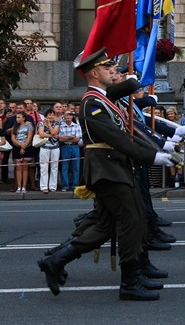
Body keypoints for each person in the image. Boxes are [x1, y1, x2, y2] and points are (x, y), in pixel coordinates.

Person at [36, 48, 174, 301]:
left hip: (115, 167)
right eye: (108, 67)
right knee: (131, 219)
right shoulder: (92, 103)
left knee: (109, 223)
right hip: (106, 168)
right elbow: (115, 137)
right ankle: (129, 282)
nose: (114, 71)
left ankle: (56, 260)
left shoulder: (105, 98)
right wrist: (150, 155)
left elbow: (130, 87)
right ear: (94, 72)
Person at [37, 108, 61, 193]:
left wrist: (49, 125)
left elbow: (54, 132)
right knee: (44, 167)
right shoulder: (40, 123)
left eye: (52, 115)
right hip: (44, 147)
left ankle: (53, 186)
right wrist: (52, 135)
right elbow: (41, 134)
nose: (51, 116)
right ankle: (44, 186)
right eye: (49, 114)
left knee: (54, 167)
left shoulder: (57, 123)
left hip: (55, 147)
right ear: (46, 115)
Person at [10, 110, 34, 193]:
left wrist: (24, 146)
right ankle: (19, 186)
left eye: (19, 117)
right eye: (16, 117)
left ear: (23, 118)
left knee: (25, 167)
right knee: (18, 167)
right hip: (17, 147)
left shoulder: (29, 125)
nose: (17, 119)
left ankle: (24, 187)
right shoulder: (15, 126)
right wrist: (20, 145)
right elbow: (13, 138)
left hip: (27, 147)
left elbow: (29, 136)